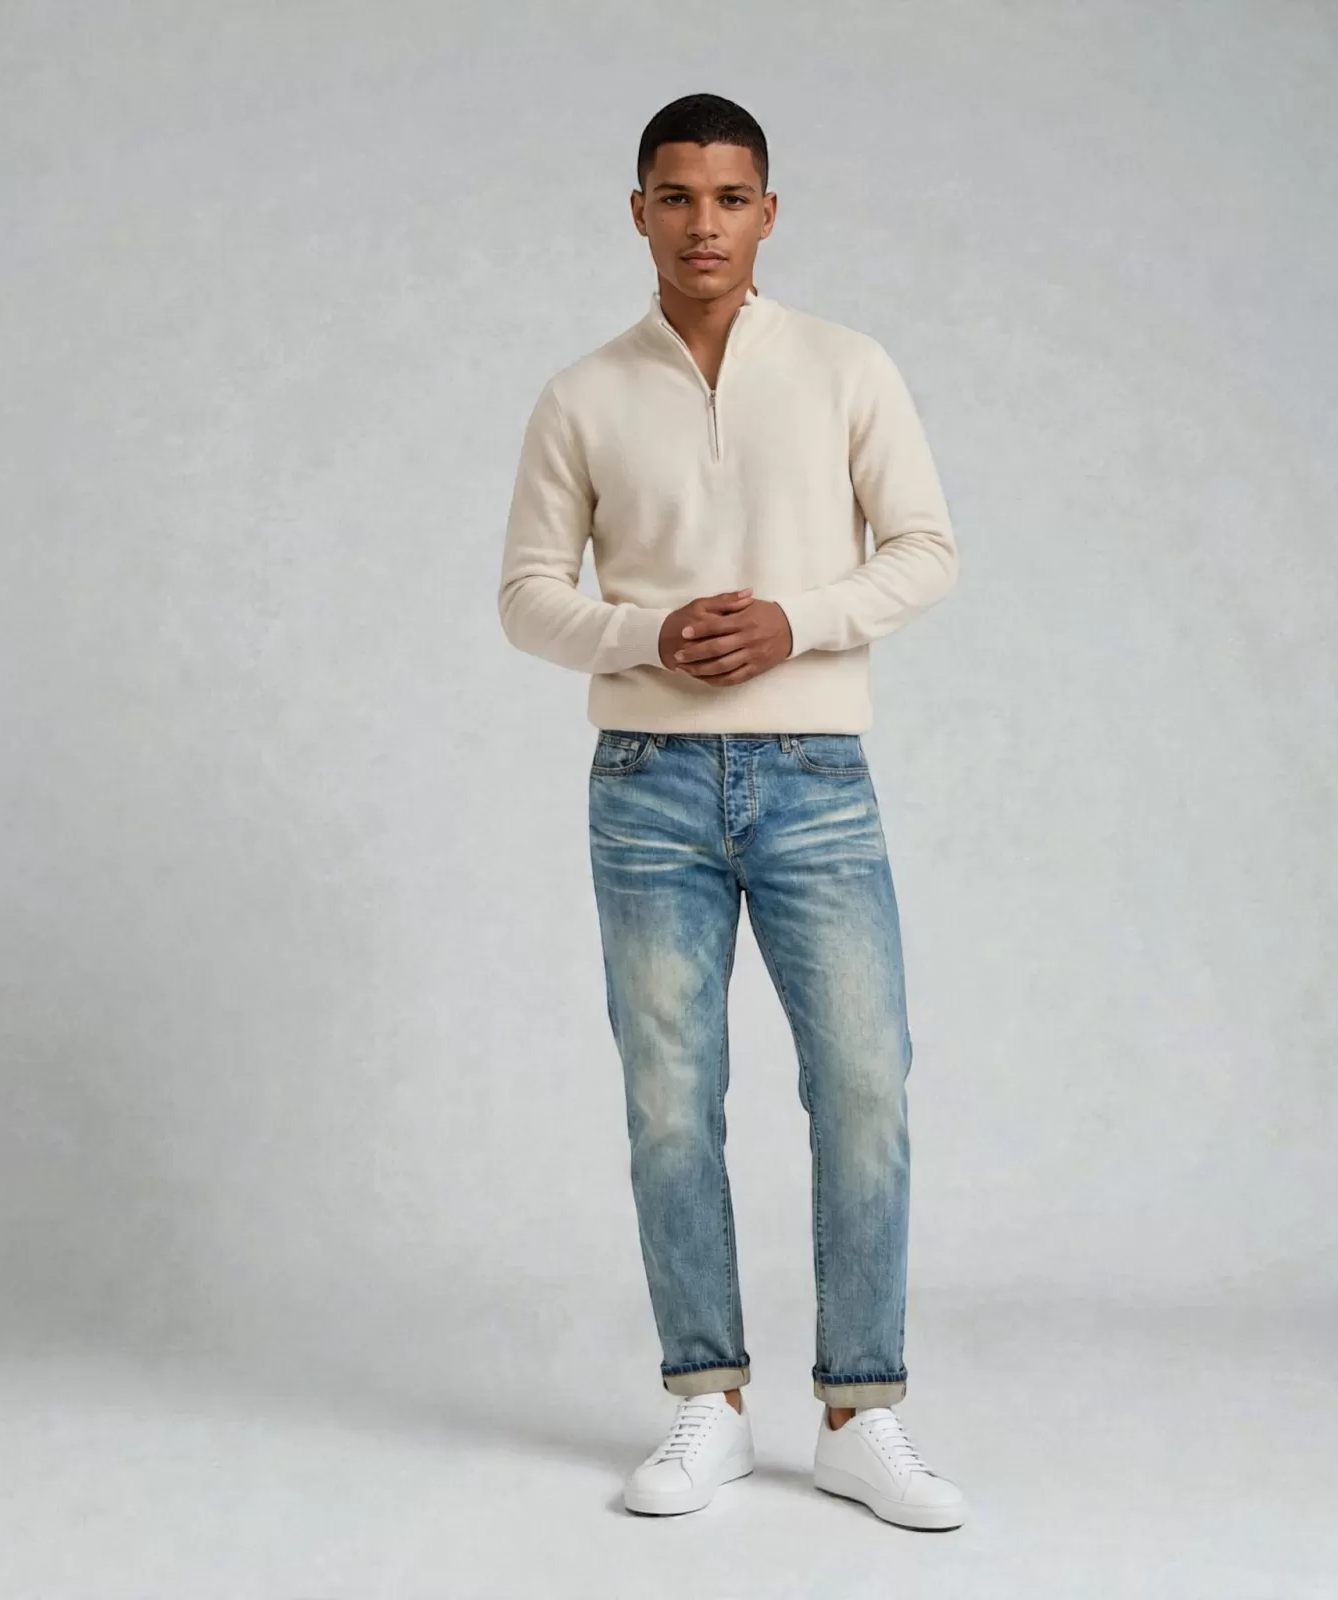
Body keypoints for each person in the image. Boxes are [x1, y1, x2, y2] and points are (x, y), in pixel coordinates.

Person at [497, 92, 964, 1531]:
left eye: (731, 197)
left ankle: (861, 1414)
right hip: (646, 784)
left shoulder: (845, 366)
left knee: (866, 1086)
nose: (704, 223)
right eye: (677, 196)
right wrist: (647, 635)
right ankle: (706, 1398)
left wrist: (794, 623)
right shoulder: (582, 395)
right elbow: (527, 597)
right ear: (637, 210)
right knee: (669, 1101)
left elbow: (927, 548)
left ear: (769, 212)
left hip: (816, 773)